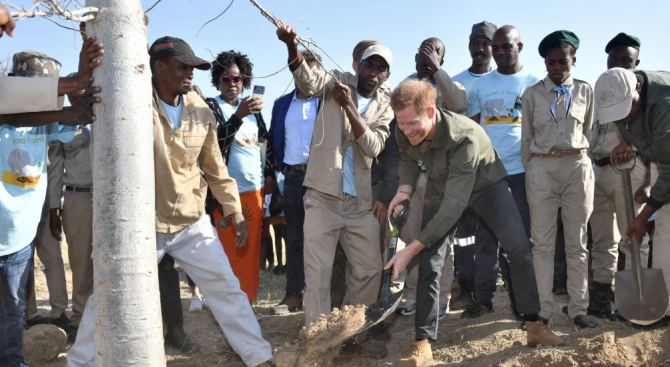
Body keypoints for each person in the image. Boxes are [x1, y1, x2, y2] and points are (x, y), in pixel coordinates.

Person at [66, 36, 273, 367]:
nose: (190, 74)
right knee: (109, 294)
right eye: (183, 66)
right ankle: (78, 362)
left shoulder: (201, 110)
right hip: (142, 224)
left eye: (193, 68)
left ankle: (260, 357)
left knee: (226, 291)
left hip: (191, 223)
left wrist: (234, 211)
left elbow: (215, 168)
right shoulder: (130, 104)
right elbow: (89, 92)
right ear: (159, 66)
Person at [386, 79, 564, 366]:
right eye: (401, 125)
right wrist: (403, 190)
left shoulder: (463, 136)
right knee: (431, 261)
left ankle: (534, 324)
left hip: (485, 185)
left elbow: (455, 205)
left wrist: (410, 249)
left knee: (518, 247)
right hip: (442, 184)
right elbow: (407, 157)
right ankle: (422, 343)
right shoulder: (403, 124)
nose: (405, 131)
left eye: (412, 124)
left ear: (431, 112)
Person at [277, 21, 393, 358]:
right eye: (369, 64)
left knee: (370, 268)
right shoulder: (336, 81)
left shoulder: (386, 106)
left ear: (386, 75)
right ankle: (318, 344)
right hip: (322, 198)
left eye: (380, 68)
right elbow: (306, 79)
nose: (373, 72)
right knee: (318, 276)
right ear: (358, 66)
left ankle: (350, 330)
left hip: (359, 203)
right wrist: (291, 47)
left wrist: (349, 108)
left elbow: (372, 147)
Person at [0, 47, 101, 367]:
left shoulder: (49, 121)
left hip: (19, 238)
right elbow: (14, 112)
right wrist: (70, 94)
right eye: (41, 89)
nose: (48, 96)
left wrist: (82, 92)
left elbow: (81, 117)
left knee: (13, 311)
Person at [520, 30, 597, 329]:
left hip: (577, 166)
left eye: (562, 62)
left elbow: (588, 131)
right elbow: (527, 139)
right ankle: (543, 310)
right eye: (550, 63)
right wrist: (536, 170)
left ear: (573, 60)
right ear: (544, 62)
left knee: (578, 242)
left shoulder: (585, 91)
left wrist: (581, 160)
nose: (556, 68)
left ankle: (578, 308)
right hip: (542, 168)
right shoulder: (532, 94)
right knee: (542, 244)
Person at [465, 25, 543, 319]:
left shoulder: (535, 82)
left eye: (505, 47)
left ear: (519, 47)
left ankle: (522, 306)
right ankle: (483, 299)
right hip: (488, 173)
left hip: (523, 171)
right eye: (495, 48)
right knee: (486, 240)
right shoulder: (482, 86)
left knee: (521, 242)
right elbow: (473, 129)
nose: (498, 53)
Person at [396, 36, 468, 319]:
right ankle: (412, 294)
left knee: (440, 240)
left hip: (443, 178)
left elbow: (460, 104)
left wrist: (437, 71)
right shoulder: (405, 85)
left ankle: (441, 296)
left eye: (433, 52)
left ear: (441, 59)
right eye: (422, 52)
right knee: (413, 237)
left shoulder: (450, 85)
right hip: (415, 175)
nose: (426, 57)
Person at [595, 67, 670, 327]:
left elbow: (669, 173)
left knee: (666, 222)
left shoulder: (664, 104)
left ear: (637, 89)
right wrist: (627, 140)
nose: (623, 117)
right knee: (665, 232)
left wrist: (643, 217)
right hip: (664, 155)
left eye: (626, 108)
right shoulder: (615, 90)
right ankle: (665, 306)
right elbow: (625, 119)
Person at [204, 50, 274, 304]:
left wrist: (269, 174)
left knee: (251, 251)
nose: (232, 84)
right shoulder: (211, 107)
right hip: (226, 195)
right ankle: (229, 306)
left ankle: (249, 303)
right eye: (225, 79)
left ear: (244, 81)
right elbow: (215, 145)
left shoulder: (254, 110)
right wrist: (237, 116)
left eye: (237, 79)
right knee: (228, 251)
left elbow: (265, 143)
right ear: (216, 81)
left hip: (254, 192)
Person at [588, 33, 650, 319]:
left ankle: (633, 302)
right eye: (614, 59)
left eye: (627, 60)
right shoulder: (600, 91)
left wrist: (647, 182)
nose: (620, 64)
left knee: (633, 237)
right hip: (597, 170)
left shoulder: (643, 96)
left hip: (627, 171)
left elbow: (652, 141)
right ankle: (600, 298)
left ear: (637, 63)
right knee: (602, 240)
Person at [268, 49, 322, 315]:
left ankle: (322, 295)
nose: (305, 77)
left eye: (311, 72)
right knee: (295, 237)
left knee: (323, 236)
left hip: (321, 177)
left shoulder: (326, 103)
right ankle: (293, 296)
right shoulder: (281, 103)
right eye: (300, 71)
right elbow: (272, 139)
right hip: (291, 177)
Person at [449, 21, 496, 310]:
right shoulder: (455, 83)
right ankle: (465, 289)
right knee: (463, 238)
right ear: (468, 46)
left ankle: (486, 292)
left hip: (494, 171)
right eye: (475, 43)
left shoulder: (505, 81)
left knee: (490, 235)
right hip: (463, 172)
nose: (480, 48)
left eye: (486, 43)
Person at [47, 80, 94, 336]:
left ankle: (105, 315)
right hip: (77, 199)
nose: (80, 98)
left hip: (113, 199)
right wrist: (55, 207)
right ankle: (80, 320)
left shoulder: (108, 116)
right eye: (75, 95)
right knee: (80, 261)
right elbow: (55, 170)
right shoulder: (61, 123)